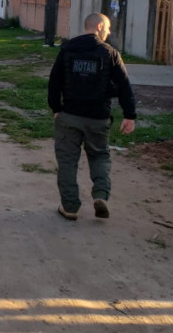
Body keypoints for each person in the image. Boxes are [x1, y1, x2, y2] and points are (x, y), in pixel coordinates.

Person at [47, 13, 136, 221]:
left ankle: (69, 207)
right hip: (98, 117)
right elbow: (124, 85)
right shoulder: (110, 53)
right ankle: (100, 194)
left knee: (67, 161)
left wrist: (56, 108)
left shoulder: (67, 50)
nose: (109, 32)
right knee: (99, 155)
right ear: (98, 26)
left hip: (69, 115)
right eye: (107, 27)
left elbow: (54, 82)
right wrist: (129, 115)